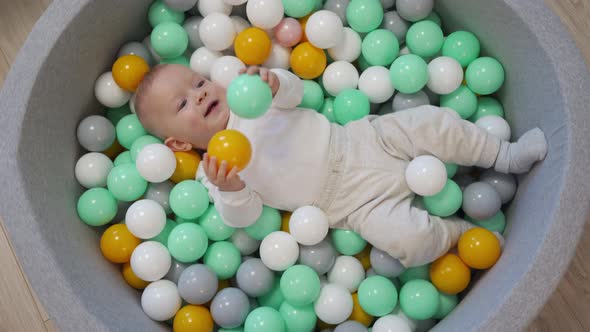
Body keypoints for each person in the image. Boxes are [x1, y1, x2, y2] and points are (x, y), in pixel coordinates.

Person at [134, 63, 547, 267]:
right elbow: (247, 215)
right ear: (177, 142)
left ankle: (503, 155)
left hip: (362, 142)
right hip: (348, 204)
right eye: (183, 103)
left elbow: (295, 96)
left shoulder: (250, 96)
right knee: (409, 243)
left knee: (430, 123)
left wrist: (277, 82)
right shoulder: (215, 172)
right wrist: (231, 190)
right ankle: (460, 234)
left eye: (199, 82)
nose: (200, 94)